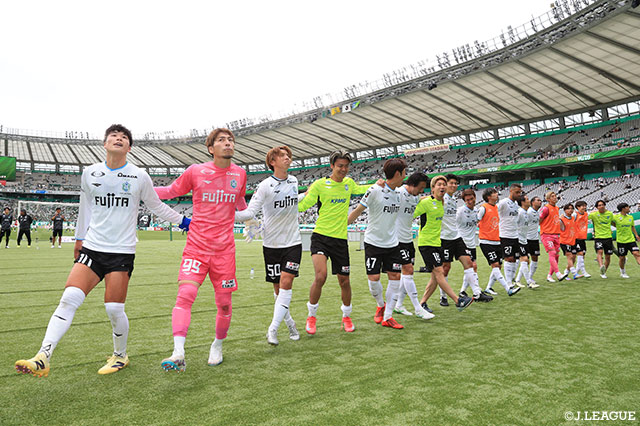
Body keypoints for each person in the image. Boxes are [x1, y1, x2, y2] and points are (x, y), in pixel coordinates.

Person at [15, 124, 190, 377]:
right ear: (105, 143)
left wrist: (185, 222)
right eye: (114, 136)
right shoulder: (90, 173)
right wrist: (79, 239)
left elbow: (156, 206)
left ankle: (120, 355)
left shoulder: (139, 176)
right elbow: (85, 207)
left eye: (124, 137)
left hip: (121, 252)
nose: (119, 139)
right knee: (69, 299)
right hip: (92, 248)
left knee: (114, 309)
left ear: (129, 147)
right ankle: (43, 356)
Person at [156, 128, 247, 371]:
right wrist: (142, 189)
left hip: (224, 252)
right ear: (210, 148)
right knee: (185, 294)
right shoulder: (196, 171)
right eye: (221, 140)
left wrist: (252, 218)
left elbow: (240, 202)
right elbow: (171, 191)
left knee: (224, 304)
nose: (228, 143)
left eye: (230, 140)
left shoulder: (240, 174)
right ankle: (178, 352)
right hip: (196, 247)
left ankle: (217, 345)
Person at [297, 150, 372, 335]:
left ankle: (346, 317)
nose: (343, 169)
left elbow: (363, 189)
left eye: (346, 166)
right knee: (320, 276)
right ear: (332, 166)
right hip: (320, 237)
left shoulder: (349, 184)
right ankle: (311, 316)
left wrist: (378, 184)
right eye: (340, 166)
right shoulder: (319, 185)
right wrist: (289, 198)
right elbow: (303, 206)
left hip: (340, 240)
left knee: (344, 281)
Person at [234, 145, 302, 345]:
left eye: (288, 155)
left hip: (293, 242)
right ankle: (290, 323)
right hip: (271, 244)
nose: (287, 158)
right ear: (272, 162)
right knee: (278, 289)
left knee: (286, 282)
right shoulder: (265, 186)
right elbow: (250, 212)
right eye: (282, 156)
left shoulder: (294, 181)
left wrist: (308, 195)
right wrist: (226, 213)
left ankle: (272, 329)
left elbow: (294, 201)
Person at [348, 159, 421, 329]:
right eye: (404, 173)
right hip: (373, 242)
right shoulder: (374, 190)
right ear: (397, 173)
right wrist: (340, 226)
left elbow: (415, 194)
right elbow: (358, 211)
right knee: (374, 280)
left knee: (395, 277)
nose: (405, 177)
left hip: (393, 243)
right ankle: (380, 305)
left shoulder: (400, 193)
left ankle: (388, 317)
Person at [414, 175, 474, 311]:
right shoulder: (425, 203)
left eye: (444, 185)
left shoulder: (442, 203)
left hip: (437, 243)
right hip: (426, 243)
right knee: (440, 272)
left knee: (435, 277)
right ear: (432, 188)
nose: (442, 187)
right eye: (439, 184)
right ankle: (458, 300)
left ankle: (422, 303)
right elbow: (410, 214)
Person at [393, 173, 439, 317]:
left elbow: (419, 199)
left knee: (406, 273)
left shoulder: (415, 197)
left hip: (408, 240)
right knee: (408, 270)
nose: (422, 190)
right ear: (413, 184)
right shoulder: (398, 193)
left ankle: (399, 305)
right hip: (396, 240)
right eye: (421, 187)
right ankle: (418, 308)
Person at [437, 175, 487, 306]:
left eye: (456, 183)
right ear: (445, 185)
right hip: (444, 238)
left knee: (469, 263)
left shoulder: (453, 199)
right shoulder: (441, 198)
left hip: (456, 237)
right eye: (451, 183)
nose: (454, 185)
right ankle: (443, 297)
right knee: (446, 268)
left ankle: (477, 293)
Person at [478, 188, 520, 296]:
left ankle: (488, 288)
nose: (497, 194)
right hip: (486, 241)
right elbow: (476, 220)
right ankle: (508, 288)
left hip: (497, 241)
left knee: (498, 266)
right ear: (488, 197)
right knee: (495, 265)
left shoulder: (497, 208)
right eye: (494, 193)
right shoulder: (483, 208)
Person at [457, 188, 494, 300]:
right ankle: (477, 293)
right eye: (467, 200)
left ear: (475, 198)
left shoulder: (476, 211)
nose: (470, 201)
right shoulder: (460, 212)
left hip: (472, 243)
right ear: (464, 201)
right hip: (462, 243)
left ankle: (463, 291)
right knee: (473, 266)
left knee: (471, 268)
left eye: (471, 199)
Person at [498, 184, 524, 288]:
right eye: (517, 192)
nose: (519, 194)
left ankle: (510, 280)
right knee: (508, 258)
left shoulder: (516, 205)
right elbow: (495, 211)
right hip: (505, 235)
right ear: (511, 191)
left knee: (514, 259)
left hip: (515, 235)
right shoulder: (504, 202)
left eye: (520, 192)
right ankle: (508, 283)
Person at [539, 191, 567, 283]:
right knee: (552, 253)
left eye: (555, 196)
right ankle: (558, 274)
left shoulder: (556, 208)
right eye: (552, 196)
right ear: (548, 199)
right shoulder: (546, 208)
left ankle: (550, 275)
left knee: (556, 255)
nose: (555, 197)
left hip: (556, 235)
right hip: (547, 234)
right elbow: (539, 220)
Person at [515, 195, 539, 288]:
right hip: (518, 239)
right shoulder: (520, 212)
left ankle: (517, 280)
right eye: (527, 199)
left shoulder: (525, 212)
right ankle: (529, 282)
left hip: (524, 239)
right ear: (522, 202)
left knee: (525, 261)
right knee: (524, 259)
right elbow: (513, 223)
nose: (529, 201)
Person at [612, 202, 640, 278]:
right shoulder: (616, 217)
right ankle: (622, 272)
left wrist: (636, 235)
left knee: (636, 253)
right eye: (627, 207)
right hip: (621, 241)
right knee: (622, 257)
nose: (629, 208)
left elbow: (632, 227)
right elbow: (610, 221)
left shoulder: (630, 217)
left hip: (631, 240)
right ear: (623, 209)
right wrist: (616, 225)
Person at [588, 200, 614, 279]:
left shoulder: (610, 214)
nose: (601, 206)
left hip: (608, 237)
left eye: (602, 205)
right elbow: (584, 217)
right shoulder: (594, 214)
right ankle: (601, 266)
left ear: (605, 205)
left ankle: (604, 272)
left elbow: (613, 222)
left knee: (608, 256)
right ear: (597, 207)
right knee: (600, 251)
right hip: (598, 237)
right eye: (599, 205)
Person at [522, 196, 542, 285]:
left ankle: (530, 277)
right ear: (532, 202)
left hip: (535, 239)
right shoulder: (528, 212)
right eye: (538, 200)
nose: (540, 202)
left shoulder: (537, 213)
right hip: (527, 239)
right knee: (525, 260)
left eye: (540, 200)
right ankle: (518, 279)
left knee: (535, 259)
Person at [559, 204, 579, 280]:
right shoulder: (561, 219)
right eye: (568, 209)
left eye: (571, 208)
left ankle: (565, 273)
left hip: (572, 241)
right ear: (565, 210)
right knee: (569, 256)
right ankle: (574, 273)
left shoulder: (573, 218)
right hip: (564, 241)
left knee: (573, 258)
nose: (570, 210)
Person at [573, 201, 591, 278]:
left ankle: (575, 272)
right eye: (583, 206)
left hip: (582, 238)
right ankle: (583, 272)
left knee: (582, 255)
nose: (584, 207)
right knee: (579, 254)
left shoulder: (586, 214)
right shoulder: (575, 215)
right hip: (575, 238)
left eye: (585, 206)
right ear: (578, 207)